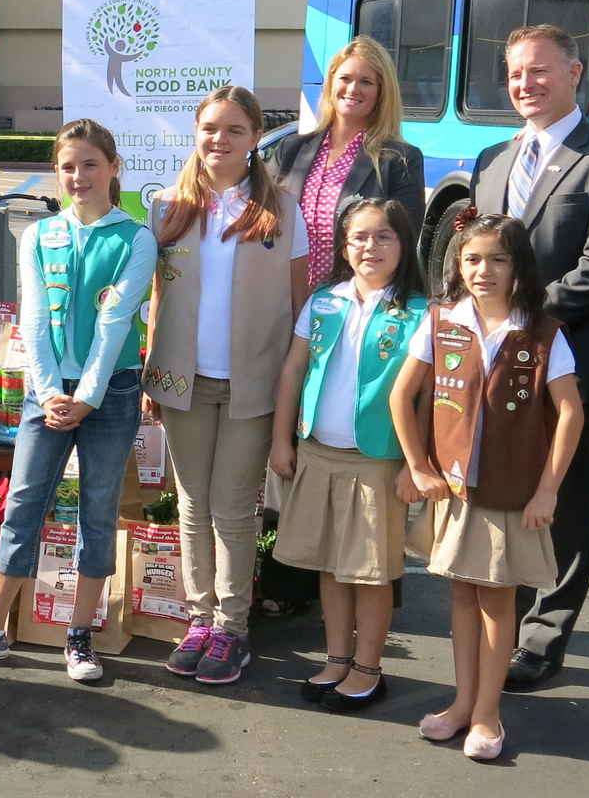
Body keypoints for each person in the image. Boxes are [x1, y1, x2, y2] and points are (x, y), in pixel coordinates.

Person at [0, 119, 157, 681]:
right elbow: (33, 320)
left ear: (114, 167)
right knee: (23, 504)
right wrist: (50, 393)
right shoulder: (40, 234)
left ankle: (79, 636)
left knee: (97, 510)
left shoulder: (137, 238)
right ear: (56, 171)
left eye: (91, 164)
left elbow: (115, 323)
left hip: (112, 390)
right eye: (68, 166)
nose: (79, 176)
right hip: (45, 393)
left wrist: (87, 397)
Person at [465, 25, 589, 693]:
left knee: (563, 504)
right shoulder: (491, 159)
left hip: (570, 358)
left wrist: (520, 319)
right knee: (502, 492)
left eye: (540, 70)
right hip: (494, 363)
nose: (526, 84)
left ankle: (544, 639)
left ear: (575, 74)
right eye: (516, 72)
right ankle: (502, 626)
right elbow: (474, 257)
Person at [391, 212, 583, 762]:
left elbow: (570, 414)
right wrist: (418, 465)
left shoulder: (543, 333)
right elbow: (402, 396)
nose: (484, 270)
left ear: (519, 266)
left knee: (498, 599)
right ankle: (462, 703)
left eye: (498, 259)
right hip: (456, 492)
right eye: (472, 259)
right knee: (461, 593)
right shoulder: (441, 322)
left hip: (509, 493)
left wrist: (547, 490)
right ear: (457, 264)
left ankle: (487, 714)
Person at [142, 85, 310, 685]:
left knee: (234, 510)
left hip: (253, 385)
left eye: (235, 129)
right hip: (181, 382)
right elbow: (158, 295)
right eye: (210, 128)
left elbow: (300, 306)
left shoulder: (283, 210)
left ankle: (231, 629)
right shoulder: (167, 206)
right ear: (196, 132)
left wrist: (294, 391)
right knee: (192, 507)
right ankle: (199, 620)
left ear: (255, 138)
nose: (220, 140)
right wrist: (152, 373)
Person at [268, 198, 429, 712]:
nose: (370, 246)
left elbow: (425, 398)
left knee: (370, 571)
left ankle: (368, 668)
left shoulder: (421, 312)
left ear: (404, 245)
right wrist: (281, 440)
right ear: (343, 246)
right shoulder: (324, 301)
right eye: (359, 236)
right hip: (317, 452)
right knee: (329, 565)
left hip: (378, 460)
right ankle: (337, 659)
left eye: (384, 236)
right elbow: (294, 370)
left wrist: (415, 464)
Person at [271, 36, 426, 283]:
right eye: (345, 79)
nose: (353, 89)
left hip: (355, 297)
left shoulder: (400, 160)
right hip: (289, 294)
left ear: (381, 93)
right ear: (331, 83)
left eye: (366, 82)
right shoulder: (290, 149)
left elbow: (403, 240)